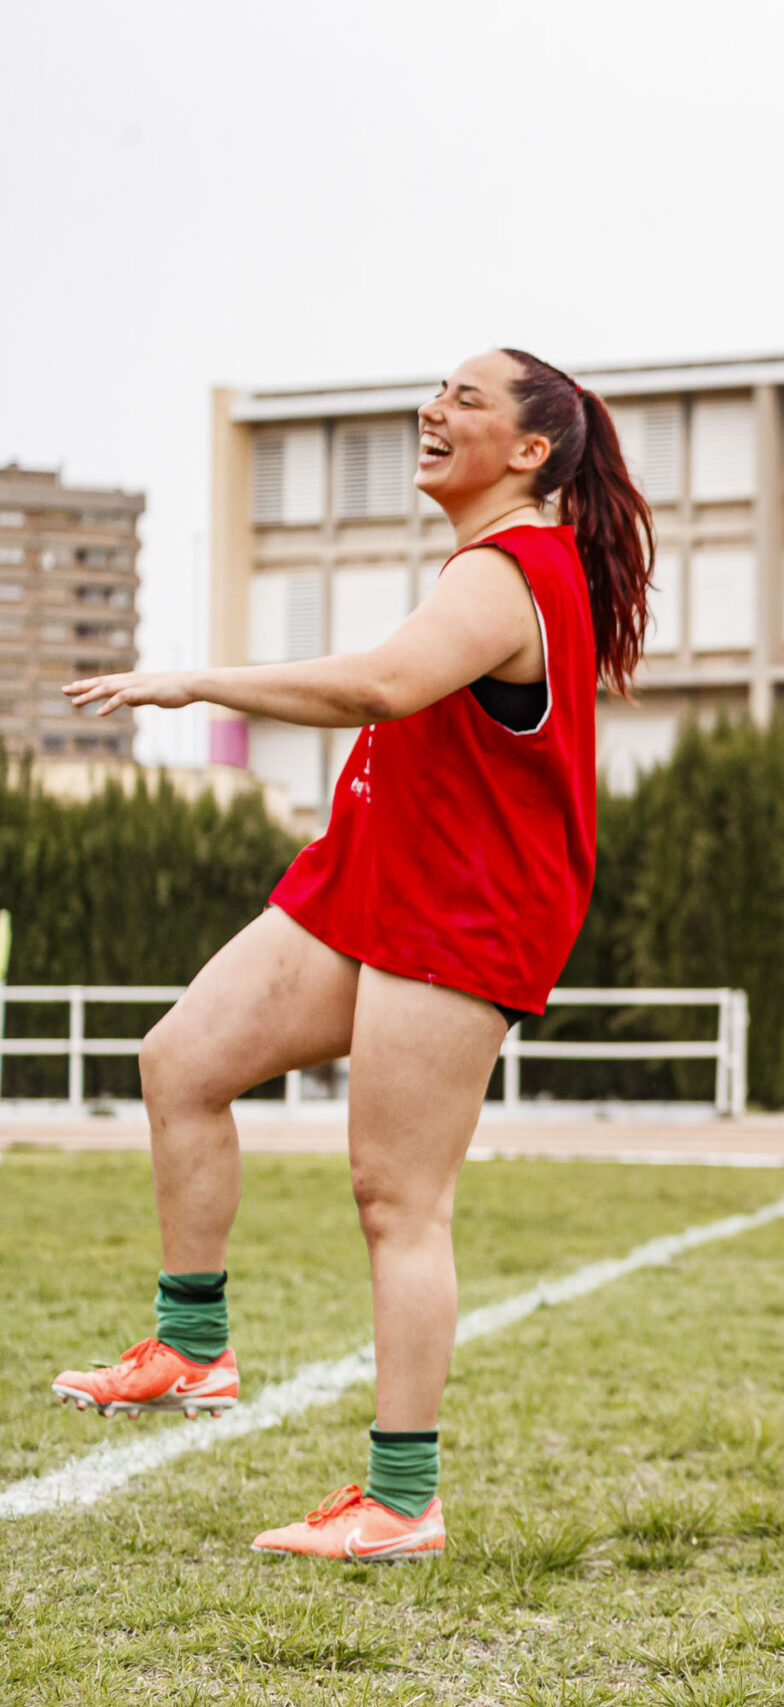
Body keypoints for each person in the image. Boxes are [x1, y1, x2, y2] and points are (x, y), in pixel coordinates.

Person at [55, 349, 652, 1563]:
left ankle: (401, 1500)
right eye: (436, 390)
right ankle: (193, 1345)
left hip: (462, 913)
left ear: (532, 452)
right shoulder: (488, 565)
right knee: (179, 1064)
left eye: (465, 399)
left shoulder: (515, 569)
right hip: (370, 881)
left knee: (397, 1201)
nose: (432, 410)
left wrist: (195, 681)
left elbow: (380, 685)